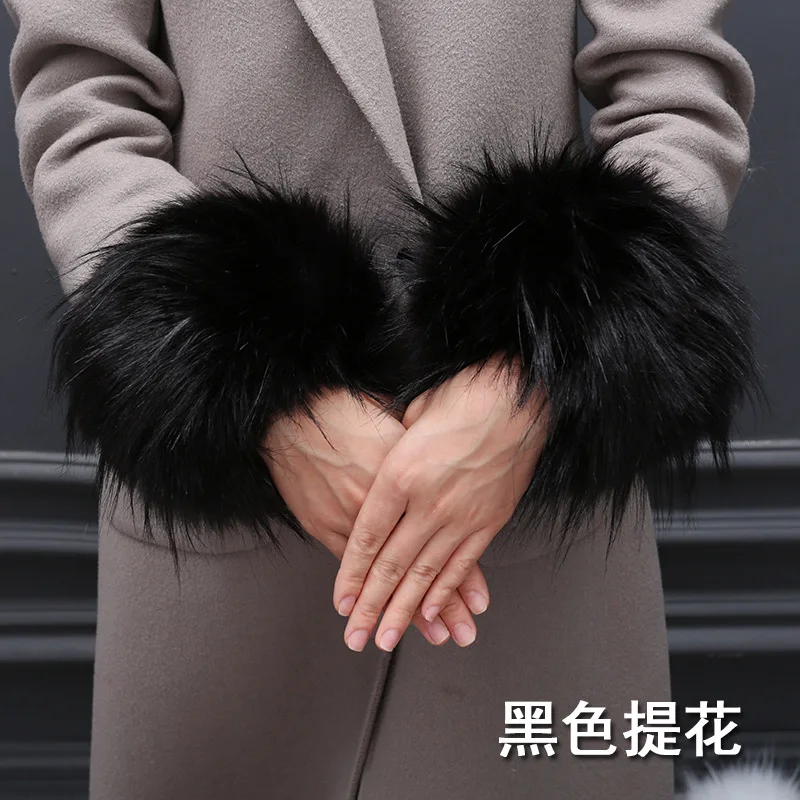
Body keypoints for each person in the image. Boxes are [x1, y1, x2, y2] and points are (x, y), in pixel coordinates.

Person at [3, 0, 773, 797]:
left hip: (526, 512)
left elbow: (675, 95)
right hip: (231, 536)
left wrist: (528, 384)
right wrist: (264, 395)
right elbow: (83, 108)